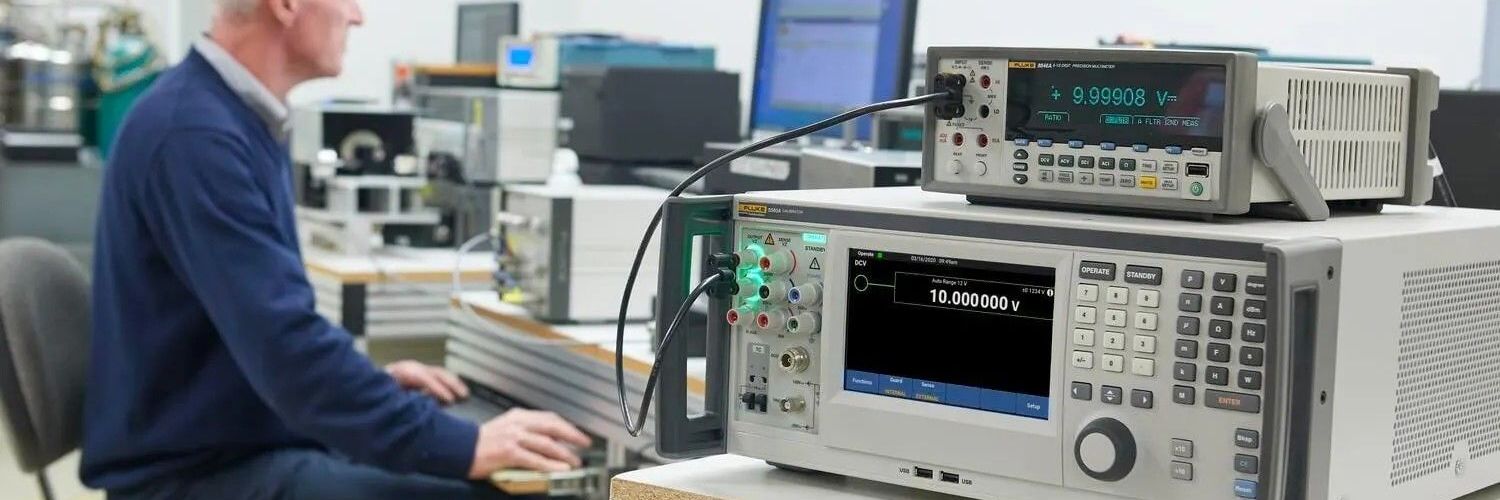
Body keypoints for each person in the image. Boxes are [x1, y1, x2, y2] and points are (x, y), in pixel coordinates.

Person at [82, 0, 592, 498]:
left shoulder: (228, 116)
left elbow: (269, 335)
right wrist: (466, 444)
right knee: (500, 489)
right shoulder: (195, 135)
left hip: (233, 438)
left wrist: (372, 384)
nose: (357, 15)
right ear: (285, 5)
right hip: (194, 474)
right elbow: (287, 350)